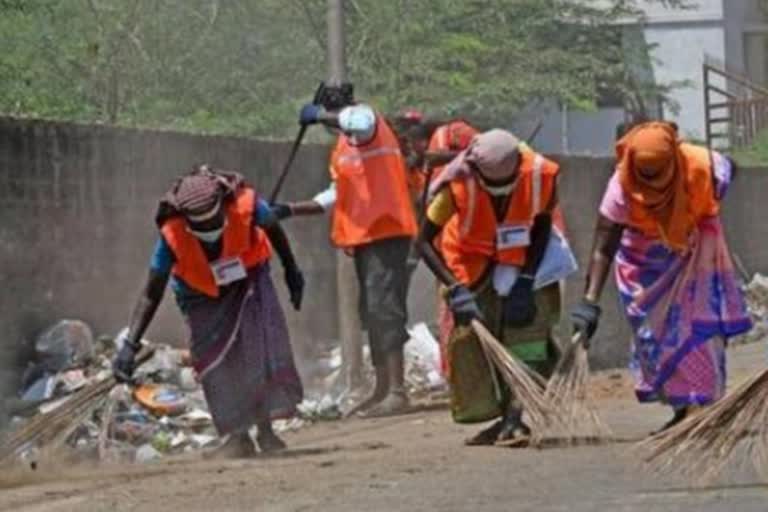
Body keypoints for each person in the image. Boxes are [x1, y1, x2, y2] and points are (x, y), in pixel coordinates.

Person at [112, 166, 306, 458]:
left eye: (215, 223)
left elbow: (274, 230)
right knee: (213, 362)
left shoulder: (247, 206)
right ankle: (237, 435)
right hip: (200, 295)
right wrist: (130, 345)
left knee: (256, 349)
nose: (209, 232)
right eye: (200, 228)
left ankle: (266, 431)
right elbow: (152, 292)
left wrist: (292, 271)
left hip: (247, 280)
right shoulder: (172, 233)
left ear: (224, 209)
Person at [571, 121, 752, 432]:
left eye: (658, 172)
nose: (652, 181)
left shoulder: (700, 164)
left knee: (698, 332)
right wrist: (589, 302)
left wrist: (697, 213)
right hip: (646, 271)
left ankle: (701, 407)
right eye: (645, 174)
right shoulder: (620, 186)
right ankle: (682, 410)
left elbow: (728, 169)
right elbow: (604, 246)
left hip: (696, 261)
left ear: (674, 158)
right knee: (656, 338)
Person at [272, 84, 418, 417]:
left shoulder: (368, 123)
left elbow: (359, 119)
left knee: (385, 309)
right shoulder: (345, 146)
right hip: (366, 237)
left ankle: (397, 391)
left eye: (328, 120)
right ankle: (382, 389)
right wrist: (290, 209)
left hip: (388, 232)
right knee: (371, 313)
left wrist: (319, 113)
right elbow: (335, 193)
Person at [417, 129, 570, 446]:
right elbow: (422, 242)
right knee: (477, 344)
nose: (500, 195)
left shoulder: (540, 175)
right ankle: (501, 417)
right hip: (471, 268)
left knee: (526, 337)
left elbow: (542, 225)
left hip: (523, 259)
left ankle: (515, 417)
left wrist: (526, 282)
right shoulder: (456, 184)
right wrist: (455, 289)